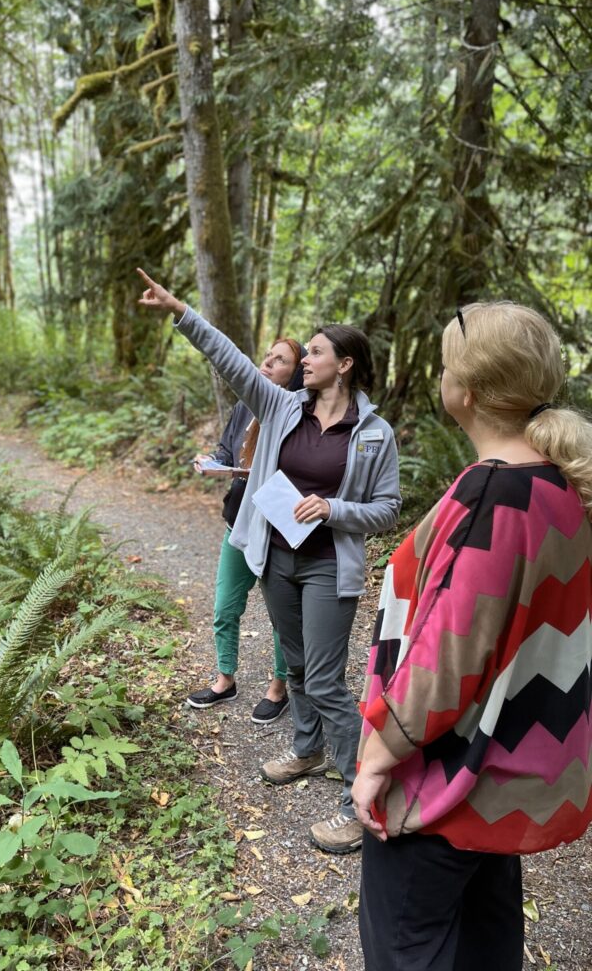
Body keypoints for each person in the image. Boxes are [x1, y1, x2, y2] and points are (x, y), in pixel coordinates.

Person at [353, 302, 592, 971]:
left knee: (410, 950)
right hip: (504, 783)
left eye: (444, 366)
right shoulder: (564, 487)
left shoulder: (496, 494)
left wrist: (375, 758)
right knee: (487, 946)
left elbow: (446, 659)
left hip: (444, 782)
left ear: (469, 392)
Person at [137, 267, 401, 855]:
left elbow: (386, 509)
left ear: (346, 363)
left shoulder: (375, 433)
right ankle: (307, 749)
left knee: (330, 680)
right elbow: (228, 358)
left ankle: (362, 799)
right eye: (303, 353)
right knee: (300, 666)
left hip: (331, 562)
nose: (304, 360)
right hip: (278, 558)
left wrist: (333, 509)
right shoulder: (283, 407)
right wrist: (182, 312)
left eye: (315, 352)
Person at [187, 338, 308, 725]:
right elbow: (227, 449)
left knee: (279, 614)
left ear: (296, 373)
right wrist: (213, 461)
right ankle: (225, 679)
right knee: (225, 605)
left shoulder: (300, 413)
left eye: (279, 360)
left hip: (275, 528)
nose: (267, 364)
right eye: (267, 357)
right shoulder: (243, 407)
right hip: (238, 518)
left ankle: (278, 687)